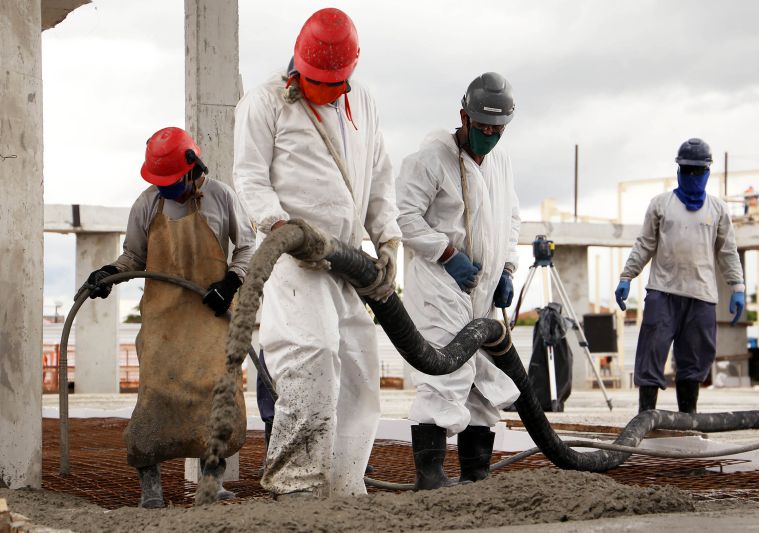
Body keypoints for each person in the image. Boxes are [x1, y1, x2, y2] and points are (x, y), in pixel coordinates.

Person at [232, 7, 401, 499]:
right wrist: (277, 223)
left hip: (347, 263)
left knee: (359, 367)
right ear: (298, 63)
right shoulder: (265, 103)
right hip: (295, 262)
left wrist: (387, 238)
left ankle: (345, 488)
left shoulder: (364, 103)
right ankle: (297, 487)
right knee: (313, 353)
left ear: (350, 72)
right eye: (313, 81)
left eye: (332, 84)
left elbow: (379, 178)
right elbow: (248, 177)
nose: (321, 90)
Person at [78, 126, 255, 508]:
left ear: (194, 168)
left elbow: (248, 248)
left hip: (211, 318)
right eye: (160, 183)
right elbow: (133, 259)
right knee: (154, 400)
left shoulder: (221, 197)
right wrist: (108, 274)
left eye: (172, 182)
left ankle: (210, 485)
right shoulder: (147, 204)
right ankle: (151, 493)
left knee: (216, 398)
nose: (166, 190)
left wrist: (231, 281)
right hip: (164, 324)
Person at [396, 72, 521, 490]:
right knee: (443, 372)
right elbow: (405, 217)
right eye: (482, 126)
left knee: (485, 378)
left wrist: (506, 268)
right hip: (440, 285)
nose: (488, 135)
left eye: (496, 129)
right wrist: (446, 254)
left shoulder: (501, 163)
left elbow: (511, 219)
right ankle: (430, 476)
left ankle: (475, 474)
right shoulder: (430, 160)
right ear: (463, 116)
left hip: (483, 291)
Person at [615, 138, 745, 414]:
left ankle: (688, 420)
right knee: (651, 353)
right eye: (688, 171)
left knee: (695, 360)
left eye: (699, 171)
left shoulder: (718, 210)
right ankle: (646, 417)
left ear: (708, 172)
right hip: (663, 292)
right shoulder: (661, 204)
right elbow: (645, 243)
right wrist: (628, 275)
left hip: (701, 296)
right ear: (678, 170)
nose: (693, 176)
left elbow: (728, 252)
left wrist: (737, 287)